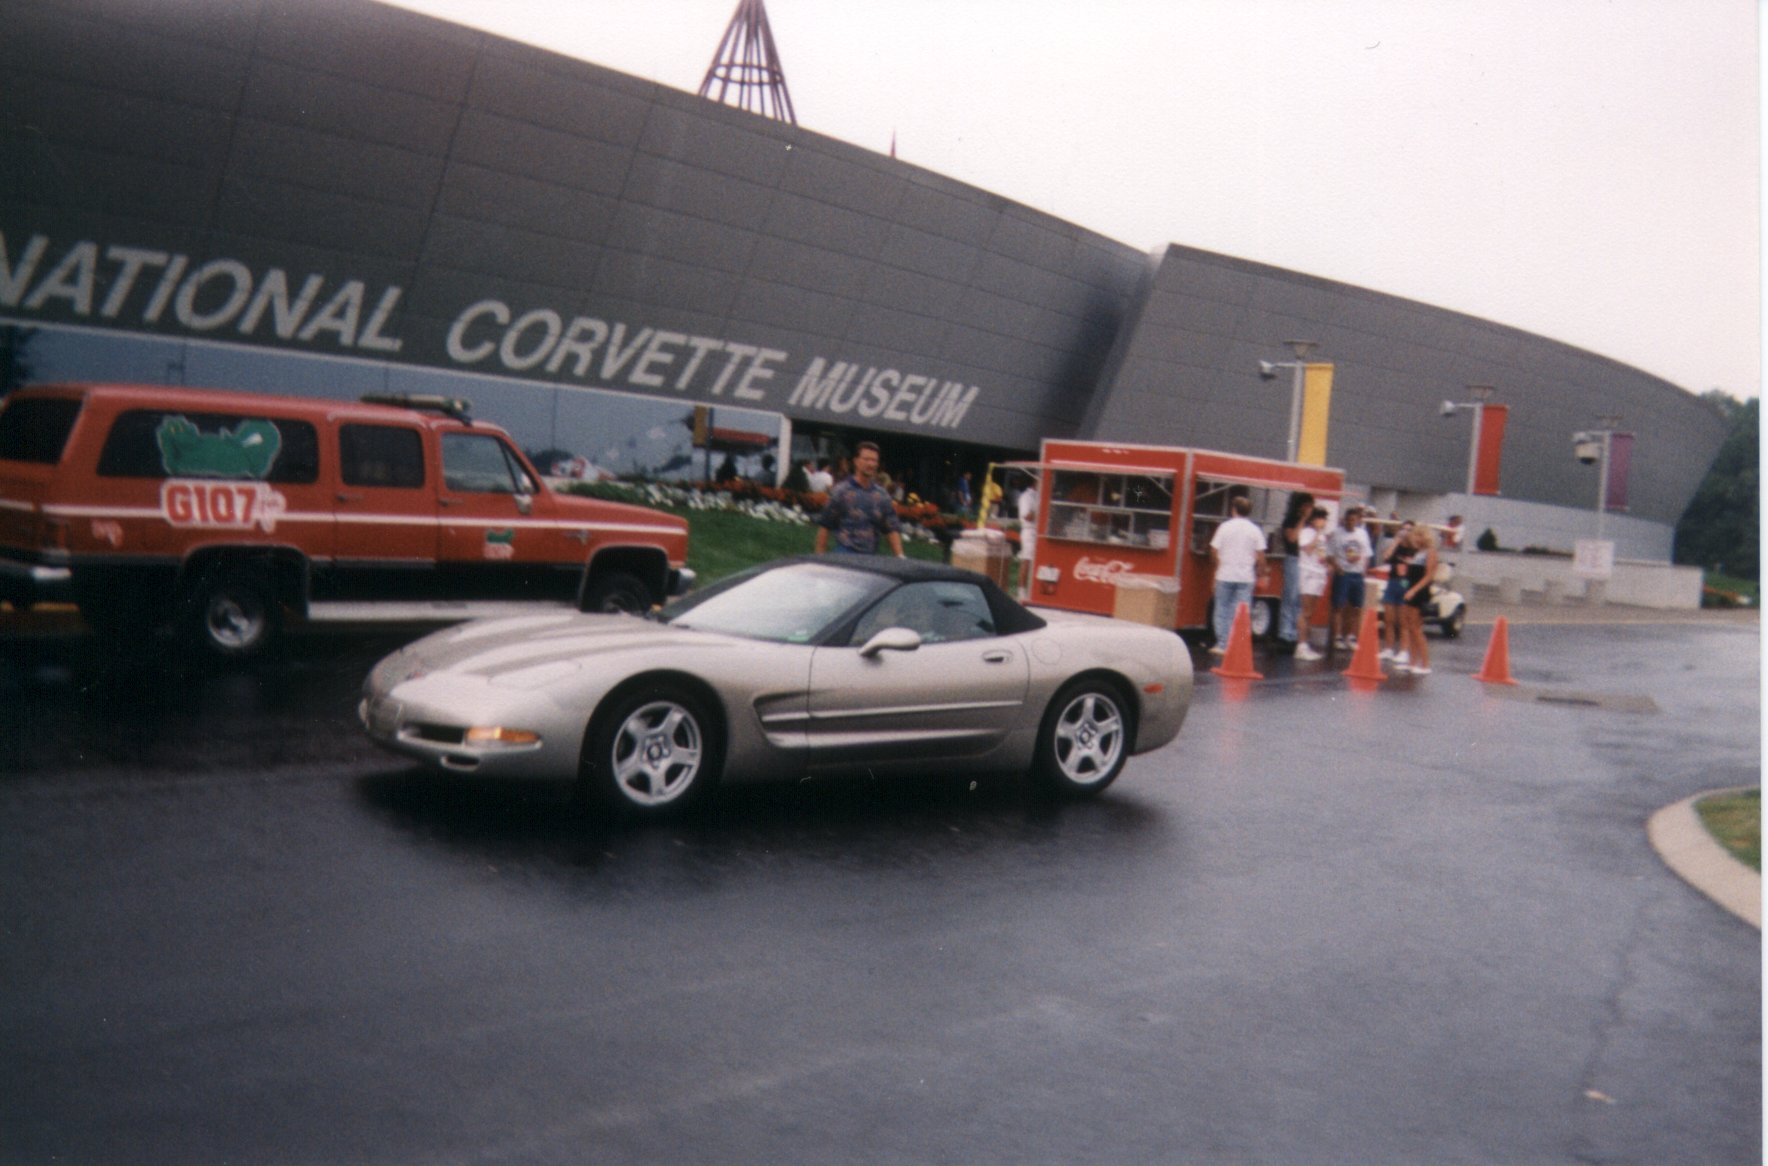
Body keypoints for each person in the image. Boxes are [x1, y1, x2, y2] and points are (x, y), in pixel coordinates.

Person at [814, 441, 905, 556]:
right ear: (856, 461)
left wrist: (900, 556)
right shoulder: (840, 491)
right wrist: (819, 558)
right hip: (845, 555)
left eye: (874, 460)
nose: (871, 464)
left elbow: (891, 528)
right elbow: (825, 525)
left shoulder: (882, 496)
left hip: (870, 558)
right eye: (866, 459)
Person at [1207, 494, 1266, 655]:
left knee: (1222, 609)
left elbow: (1214, 550)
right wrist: (1261, 573)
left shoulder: (1224, 527)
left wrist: (1218, 565)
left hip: (1224, 574)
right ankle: (1238, 645)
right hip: (1246, 577)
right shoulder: (1255, 530)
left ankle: (1222, 644)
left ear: (1233, 509)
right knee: (1241, 611)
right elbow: (1261, 555)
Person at [1325, 505, 1373, 651]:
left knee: (1356, 607)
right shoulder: (1337, 534)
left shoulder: (1362, 534)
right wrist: (1337, 568)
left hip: (1357, 574)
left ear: (1358, 520)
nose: (1350, 522)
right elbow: (1329, 554)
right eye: (1348, 520)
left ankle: (1351, 636)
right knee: (1338, 606)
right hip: (1343, 573)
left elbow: (1367, 553)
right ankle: (1337, 636)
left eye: (1353, 520)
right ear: (1344, 520)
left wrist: (1365, 570)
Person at [1396, 524, 1439, 674]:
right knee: (1409, 625)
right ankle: (1412, 662)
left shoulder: (1430, 552)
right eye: (1416, 535)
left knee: (1416, 628)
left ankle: (1425, 664)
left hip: (1419, 592)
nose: (1417, 538)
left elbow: (1429, 575)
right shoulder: (1417, 552)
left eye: (1420, 535)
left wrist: (1414, 590)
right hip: (1411, 590)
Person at [1277, 491, 1315, 648]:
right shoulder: (1291, 520)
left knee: (1301, 598)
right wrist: (1302, 519)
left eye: (1310, 506)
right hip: (1293, 559)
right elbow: (1292, 538)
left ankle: (1296, 633)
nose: (1308, 509)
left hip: (1307, 561)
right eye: (1306, 506)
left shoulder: (1312, 523)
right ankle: (1285, 633)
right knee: (1290, 596)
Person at [1293, 507, 1331, 660]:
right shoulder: (1306, 533)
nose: (1323, 521)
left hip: (1319, 573)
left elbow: (1321, 554)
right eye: (1320, 518)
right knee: (1306, 611)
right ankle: (1301, 645)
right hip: (1308, 573)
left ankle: (1305, 645)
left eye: (1324, 518)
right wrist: (1318, 534)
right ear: (1313, 520)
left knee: (1311, 612)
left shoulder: (1322, 537)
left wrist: (1327, 564)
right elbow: (1308, 550)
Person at [1378, 519, 1415, 662]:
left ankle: (1404, 651)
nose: (1406, 532)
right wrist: (1396, 541)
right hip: (1393, 582)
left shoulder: (1414, 549)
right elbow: (1386, 557)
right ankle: (1388, 649)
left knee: (1403, 621)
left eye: (1409, 529)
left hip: (1406, 584)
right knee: (1389, 619)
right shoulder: (1396, 547)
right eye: (1404, 529)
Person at [1016, 475, 1040, 599]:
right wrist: (1041, 511)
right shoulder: (1026, 496)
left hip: (1039, 533)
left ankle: (1032, 592)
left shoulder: (1040, 495)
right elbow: (1027, 516)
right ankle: (1021, 592)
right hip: (1029, 531)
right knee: (1027, 561)